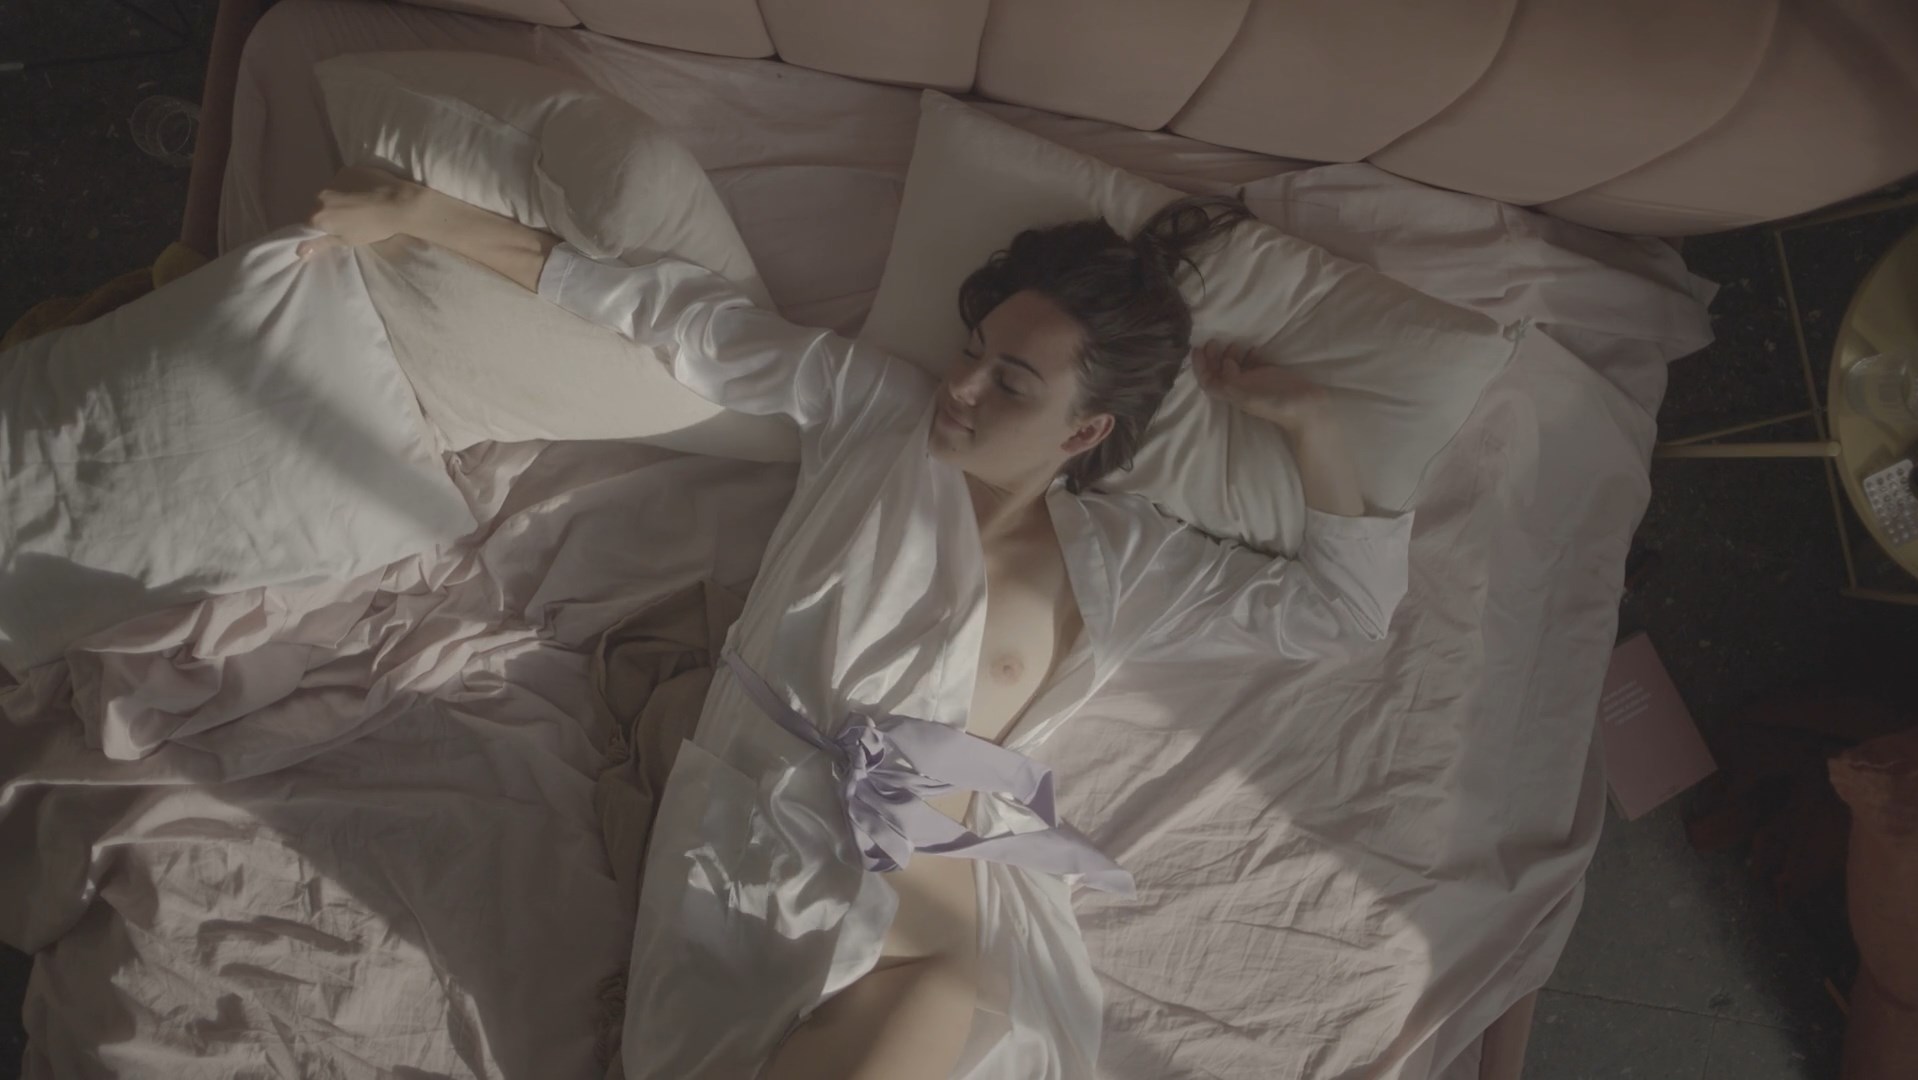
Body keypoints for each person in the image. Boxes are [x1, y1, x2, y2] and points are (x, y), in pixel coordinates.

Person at [301, 166, 1411, 1080]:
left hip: (948, 893)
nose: (961, 387)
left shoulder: (1121, 565)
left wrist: (1312, 426)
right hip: (764, 825)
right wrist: (428, 214)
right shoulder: (875, 414)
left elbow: (1346, 609)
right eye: (972, 350)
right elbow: (674, 318)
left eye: (1012, 383)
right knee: (894, 1004)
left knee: (953, 995)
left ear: (1085, 434)